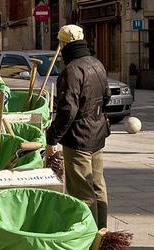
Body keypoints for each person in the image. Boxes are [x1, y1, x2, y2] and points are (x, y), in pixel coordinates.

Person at [45, 25, 111, 229]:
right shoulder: (96, 63)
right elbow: (107, 96)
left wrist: (51, 138)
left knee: (82, 192)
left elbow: (68, 111)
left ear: (63, 44)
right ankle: (102, 233)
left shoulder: (72, 70)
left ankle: (89, 238)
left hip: (78, 138)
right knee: (98, 186)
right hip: (98, 134)